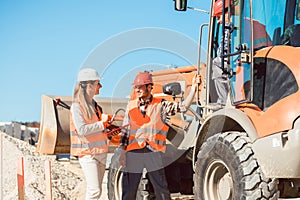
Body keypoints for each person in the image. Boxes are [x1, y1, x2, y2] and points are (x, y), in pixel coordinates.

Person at [119, 71, 201, 200]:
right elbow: (125, 131)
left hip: (153, 152)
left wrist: (194, 89)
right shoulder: (130, 106)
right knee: (129, 190)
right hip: (134, 153)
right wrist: (122, 152)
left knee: (161, 189)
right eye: (136, 87)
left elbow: (183, 107)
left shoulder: (161, 105)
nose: (137, 89)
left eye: (140, 86)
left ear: (149, 87)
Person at [70, 68, 111, 200]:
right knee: (94, 191)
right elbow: (82, 129)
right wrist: (102, 124)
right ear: (89, 85)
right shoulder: (77, 107)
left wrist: (108, 129)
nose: (101, 86)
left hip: (100, 152)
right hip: (87, 153)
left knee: (97, 192)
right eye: (98, 83)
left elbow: (97, 129)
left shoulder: (96, 107)